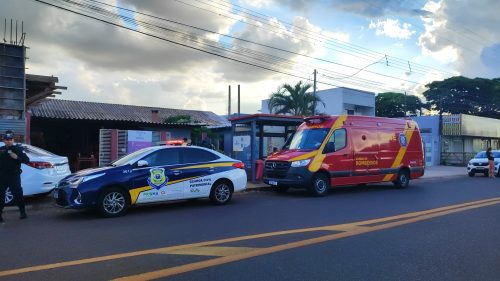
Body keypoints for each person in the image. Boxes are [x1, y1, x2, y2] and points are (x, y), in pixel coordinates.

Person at [0, 130, 30, 223]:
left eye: (10, 139)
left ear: (13, 140)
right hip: (2, 176)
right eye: (6, 139)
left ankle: (22, 212)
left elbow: (27, 160)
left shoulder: (18, 149)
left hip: (14, 176)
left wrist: (16, 157)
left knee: (18, 195)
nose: (8, 141)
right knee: (1, 196)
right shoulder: (1, 150)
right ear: (4, 140)